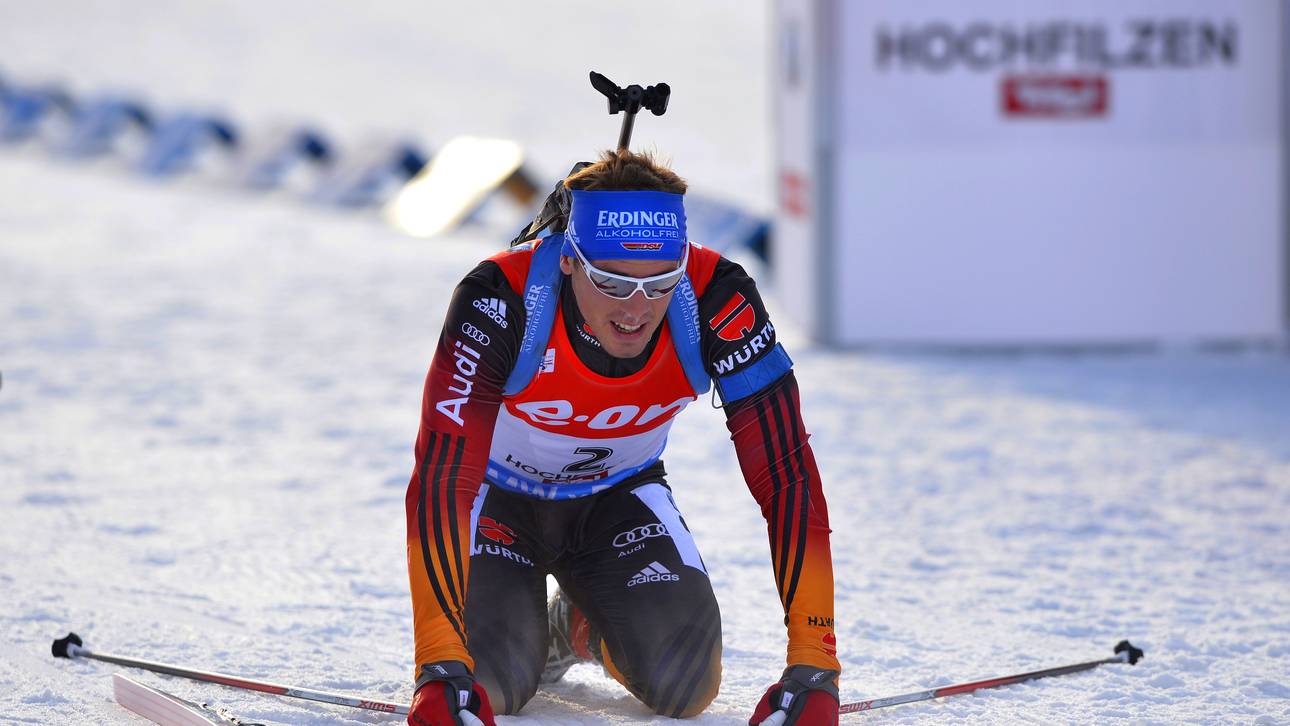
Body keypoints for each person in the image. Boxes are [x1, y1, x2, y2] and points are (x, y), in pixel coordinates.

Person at [404, 150, 839, 726]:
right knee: (490, 681)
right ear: (568, 260)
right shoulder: (501, 298)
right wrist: (438, 664)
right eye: (612, 281)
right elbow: (442, 475)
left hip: (616, 496)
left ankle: (576, 625)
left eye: (661, 282)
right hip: (495, 499)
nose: (637, 308)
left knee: (686, 685)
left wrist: (815, 665)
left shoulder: (717, 298)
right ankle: (521, 625)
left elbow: (786, 474)